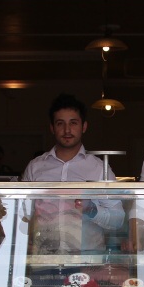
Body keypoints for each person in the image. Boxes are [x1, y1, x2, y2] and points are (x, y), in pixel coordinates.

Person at [21, 93, 124, 253]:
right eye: (60, 123)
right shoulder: (35, 167)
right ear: (52, 128)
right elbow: (22, 213)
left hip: (88, 259)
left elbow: (118, 219)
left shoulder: (99, 168)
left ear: (84, 126)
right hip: (44, 258)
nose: (67, 130)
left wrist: (91, 210)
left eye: (73, 123)